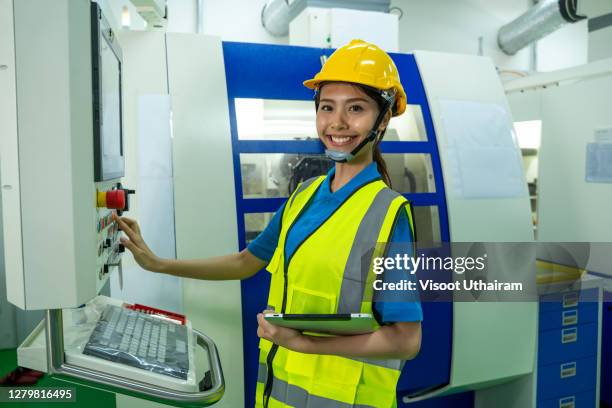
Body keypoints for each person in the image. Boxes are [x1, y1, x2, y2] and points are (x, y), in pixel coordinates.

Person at [115, 39, 422, 408]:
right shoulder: (304, 196)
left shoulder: (389, 214)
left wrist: (308, 344)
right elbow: (247, 261)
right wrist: (159, 263)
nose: (337, 122)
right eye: (327, 107)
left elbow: (406, 339)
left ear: (383, 119)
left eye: (355, 108)